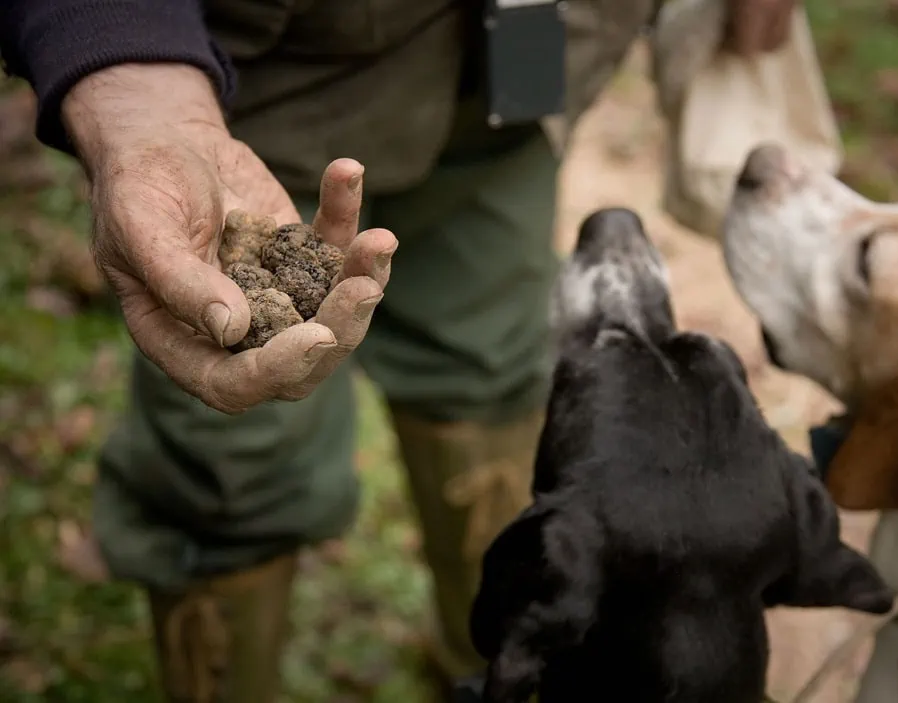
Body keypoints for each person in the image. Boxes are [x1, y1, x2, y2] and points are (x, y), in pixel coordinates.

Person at [0, 1, 797, 701]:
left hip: (519, 63)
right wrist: (135, 80)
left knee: (490, 370)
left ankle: (501, 670)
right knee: (229, 459)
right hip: (249, 82)